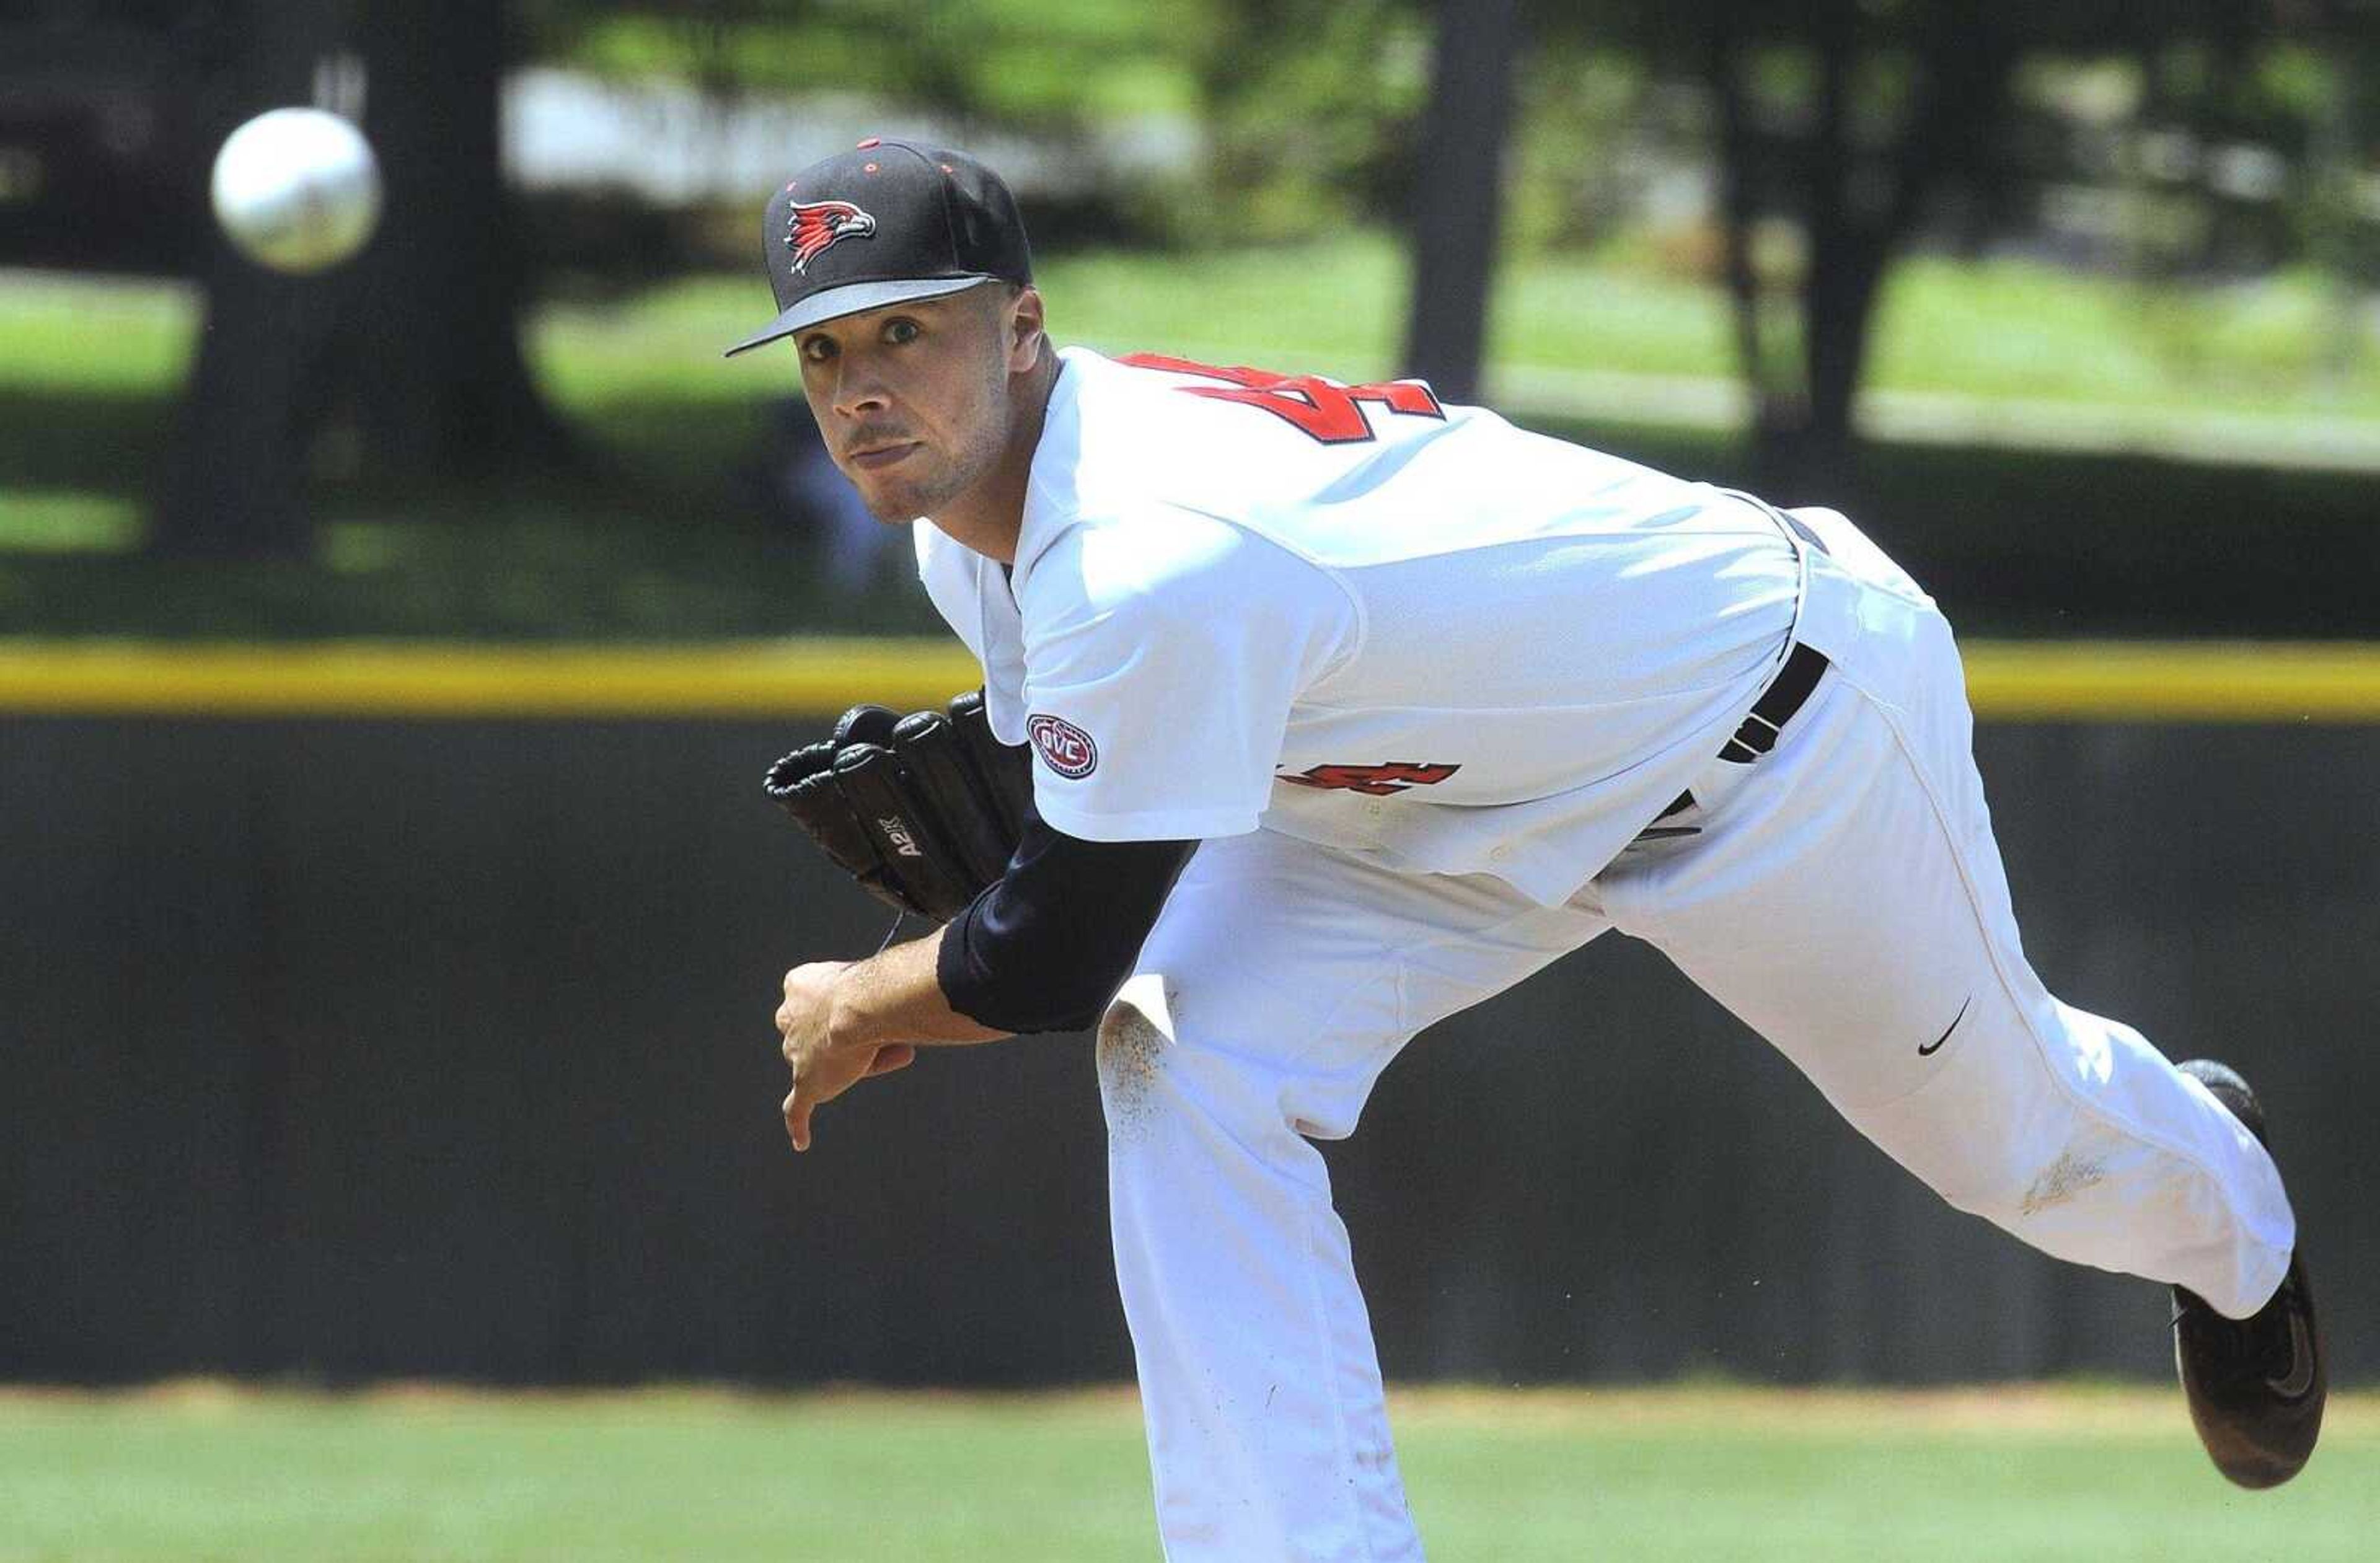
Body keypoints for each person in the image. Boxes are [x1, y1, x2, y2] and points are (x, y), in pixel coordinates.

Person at [734, 139, 2326, 1560]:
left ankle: (2226, 1212)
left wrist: (871, 995)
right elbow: (1078, 872)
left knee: (2020, 1153)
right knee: (1185, 1055)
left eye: (905, 332)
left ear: (1021, 330)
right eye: (825, 353)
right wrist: (997, 918)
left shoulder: (1147, 548)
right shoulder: (980, 541)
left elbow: (1054, 952)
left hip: (1767, 736)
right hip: (1420, 797)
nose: (861, 386)